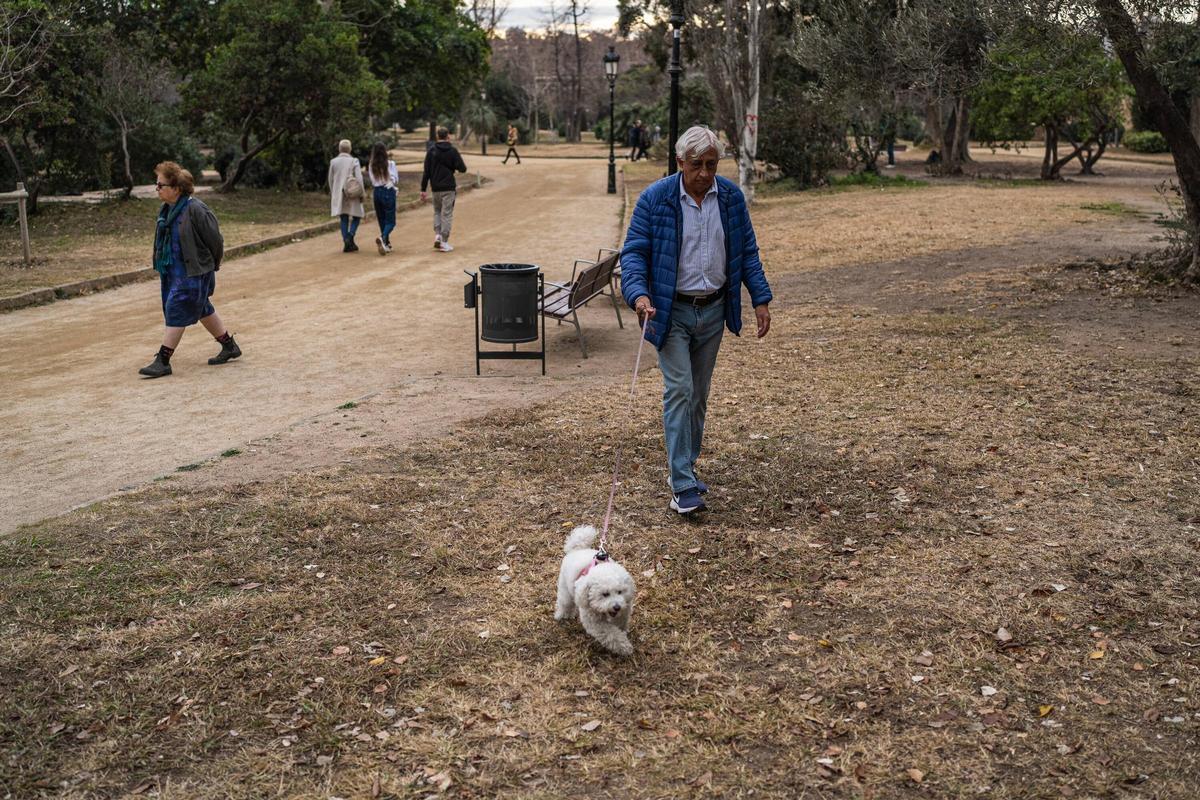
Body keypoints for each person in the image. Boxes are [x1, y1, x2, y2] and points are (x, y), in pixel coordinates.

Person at [620, 125, 772, 515]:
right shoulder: (656, 199)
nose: (705, 172)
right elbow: (634, 253)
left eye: (711, 164)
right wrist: (639, 295)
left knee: (699, 395)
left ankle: (684, 466)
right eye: (696, 165)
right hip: (669, 311)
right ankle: (682, 486)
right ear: (679, 163)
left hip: (714, 309)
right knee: (680, 389)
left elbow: (747, 252)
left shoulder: (731, 199)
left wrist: (760, 299)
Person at [139, 161, 240, 379]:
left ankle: (163, 360)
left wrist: (212, 265)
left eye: (160, 185)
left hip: (194, 272)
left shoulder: (195, 209)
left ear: (176, 188)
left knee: (177, 307)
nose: (157, 189)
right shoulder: (167, 210)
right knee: (201, 307)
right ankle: (229, 346)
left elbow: (216, 241)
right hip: (173, 270)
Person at [420, 126, 468, 253]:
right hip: (448, 187)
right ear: (448, 136)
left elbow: (426, 172)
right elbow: (463, 168)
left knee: (437, 211)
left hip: (435, 187)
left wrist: (423, 189)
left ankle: (437, 235)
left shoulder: (431, 151)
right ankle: (444, 241)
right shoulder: (452, 151)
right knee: (446, 213)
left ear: (437, 136)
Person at [328, 139, 364, 253]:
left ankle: (346, 242)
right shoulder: (354, 161)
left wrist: (333, 193)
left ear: (339, 149)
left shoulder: (333, 162)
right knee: (357, 216)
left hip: (340, 193)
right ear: (350, 149)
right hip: (352, 193)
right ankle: (350, 236)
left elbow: (331, 179)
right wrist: (362, 193)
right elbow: (359, 178)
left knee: (343, 217)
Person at [366, 142, 399, 256]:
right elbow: (395, 179)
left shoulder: (371, 165)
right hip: (388, 191)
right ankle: (383, 237)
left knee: (382, 219)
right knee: (391, 221)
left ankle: (386, 243)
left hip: (377, 192)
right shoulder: (390, 164)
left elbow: (372, 180)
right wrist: (391, 183)